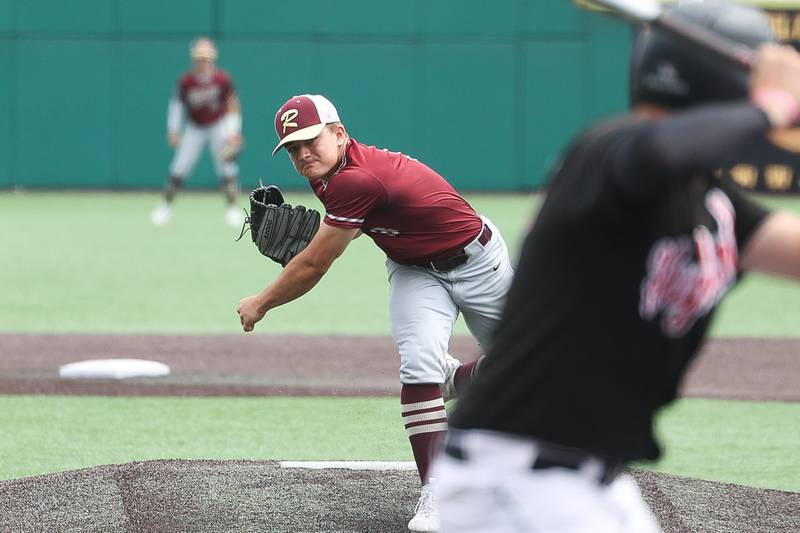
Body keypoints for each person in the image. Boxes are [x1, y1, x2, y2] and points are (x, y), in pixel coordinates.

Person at [434, 2, 800, 532]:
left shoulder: (710, 202)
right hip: (516, 474)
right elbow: (661, 152)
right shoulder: (609, 154)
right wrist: (774, 104)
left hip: (586, 482)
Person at [236, 94, 514, 531]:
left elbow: (314, 264)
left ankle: (454, 381)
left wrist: (261, 301)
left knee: (528, 369)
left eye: (311, 140)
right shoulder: (327, 172)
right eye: (292, 148)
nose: (303, 153)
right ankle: (436, 492)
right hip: (414, 271)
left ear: (339, 133)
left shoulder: (354, 180)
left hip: (479, 264)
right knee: (418, 363)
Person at [151, 37, 244, 227]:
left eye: (206, 58)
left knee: (227, 168)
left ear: (212, 59)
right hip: (195, 127)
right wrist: (174, 130)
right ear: (194, 59)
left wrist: (233, 132)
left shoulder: (222, 79)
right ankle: (165, 207)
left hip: (218, 126)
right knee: (179, 167)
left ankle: (232, 209)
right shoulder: (186, 81)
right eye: (200, 58)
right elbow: (176, 106)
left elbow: (232, 105)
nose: (203, 62)